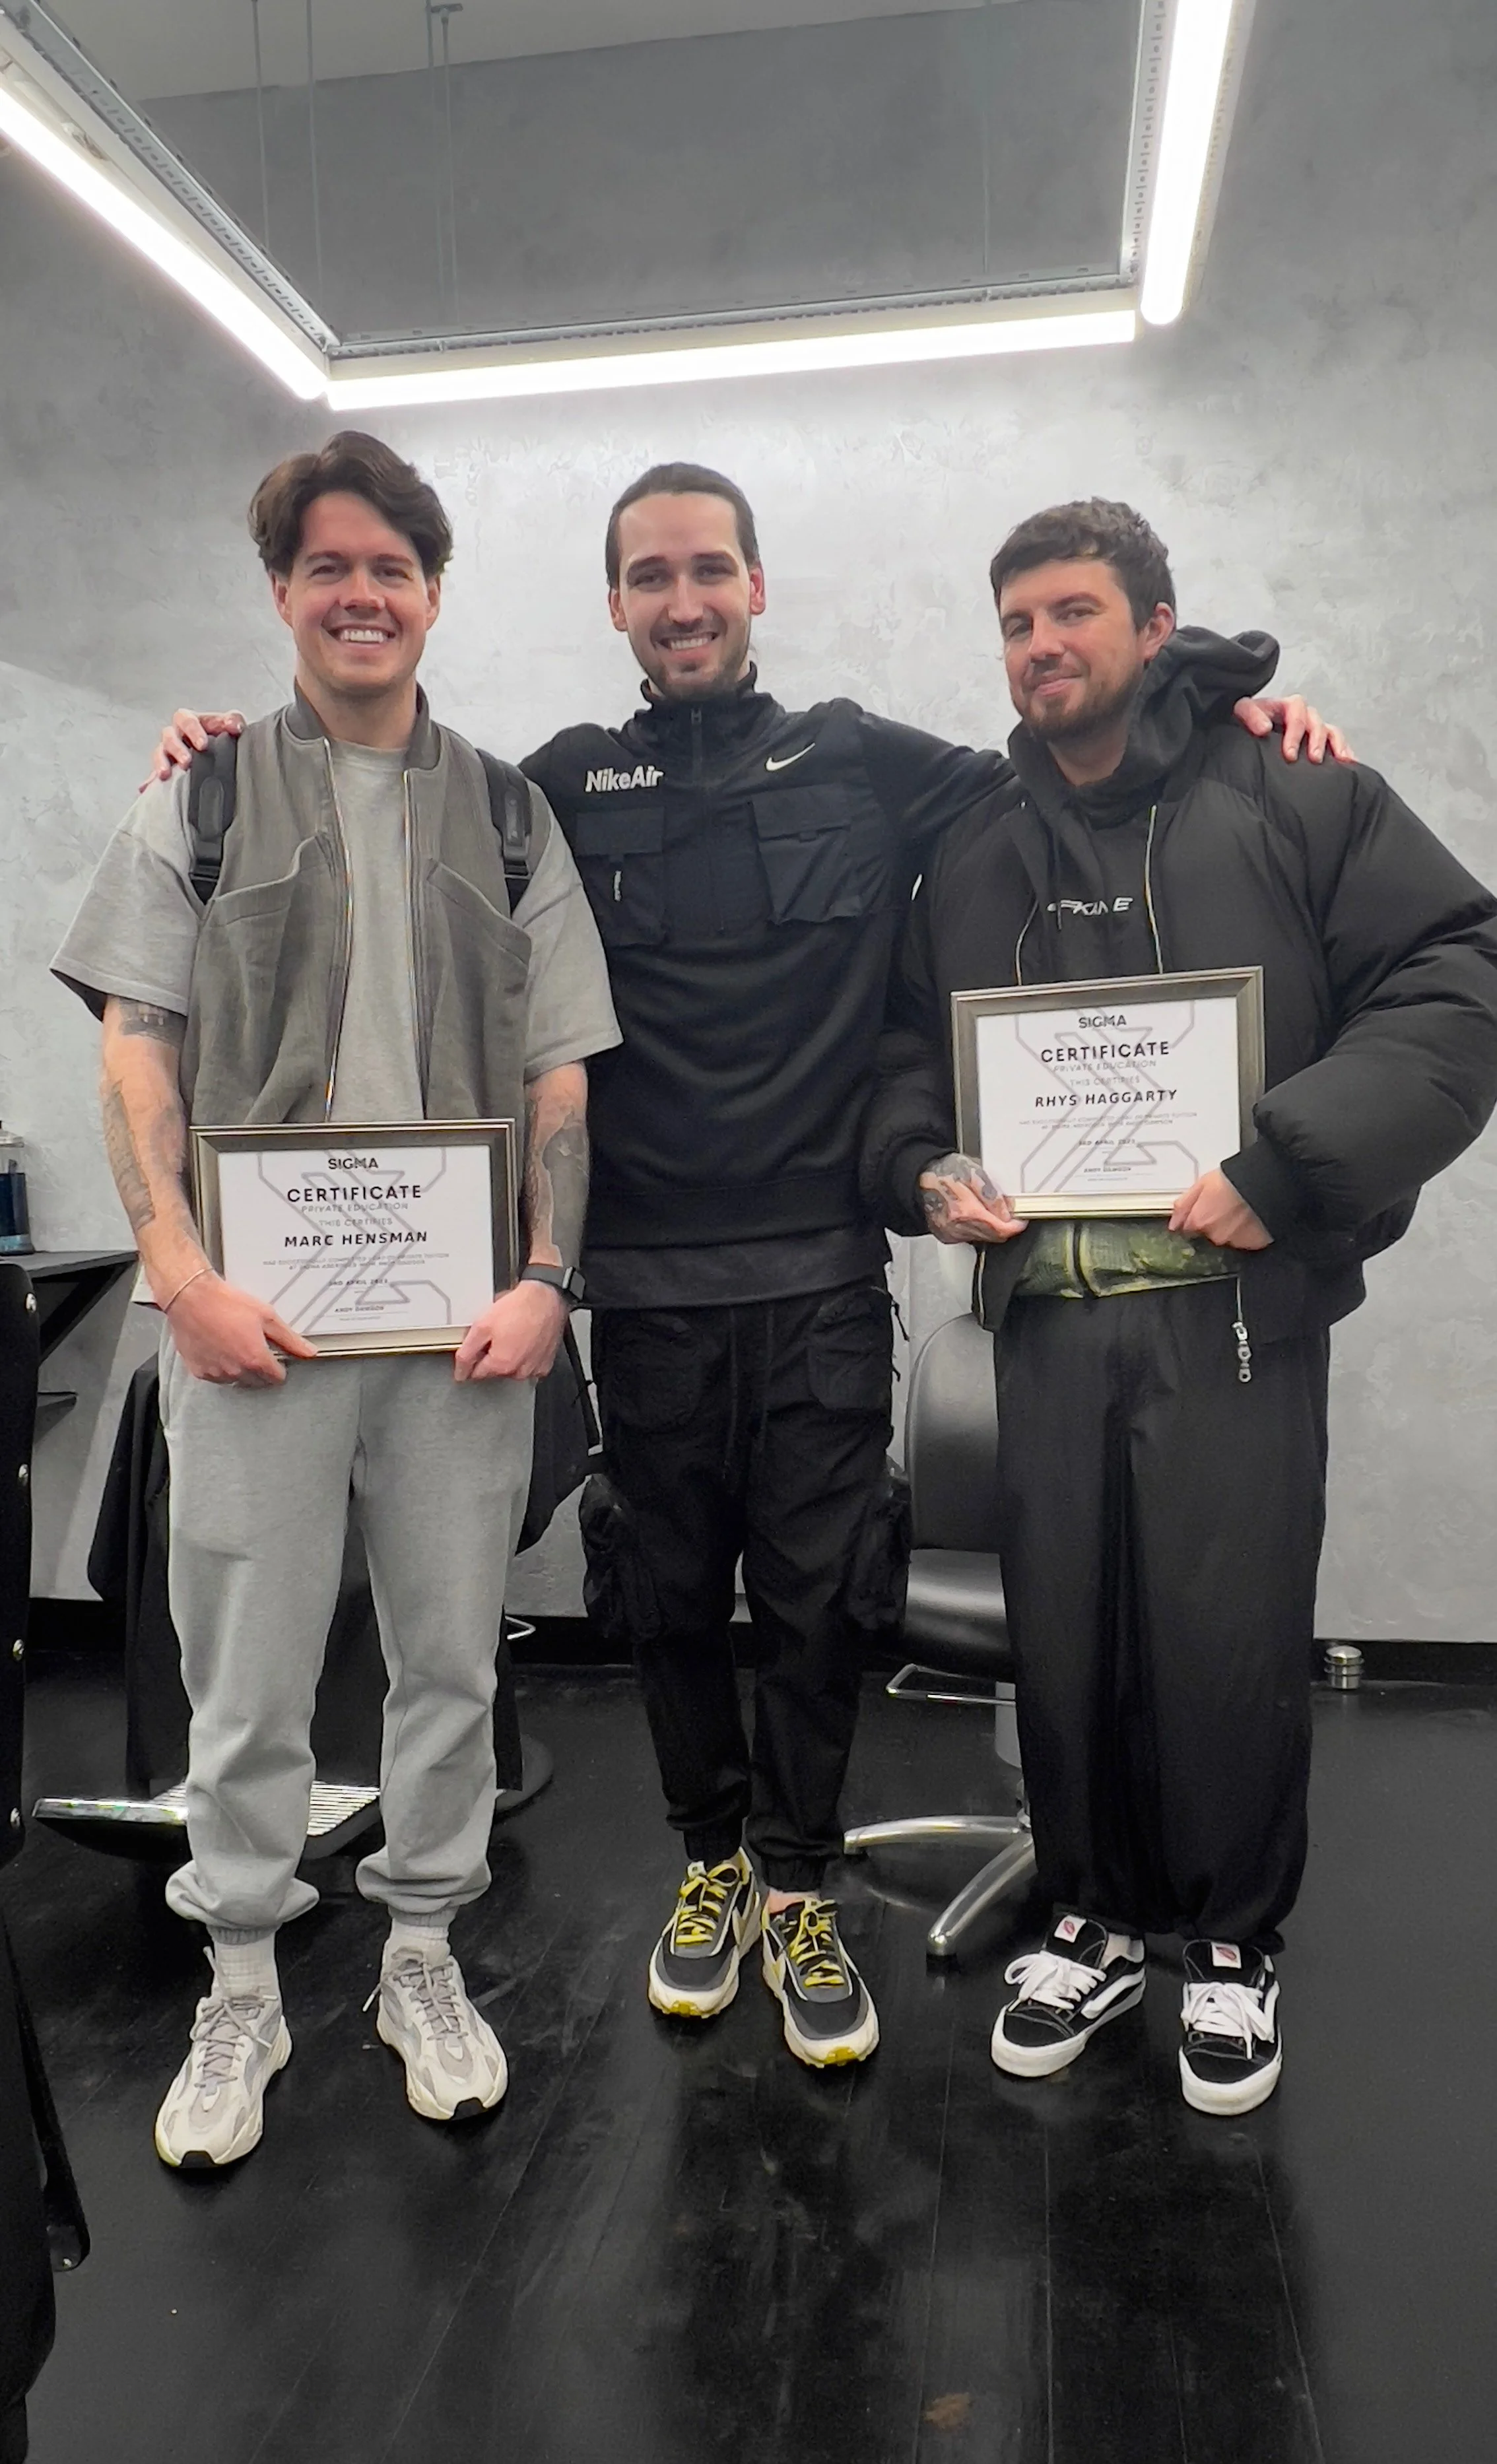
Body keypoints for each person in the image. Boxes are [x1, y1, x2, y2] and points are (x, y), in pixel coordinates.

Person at [149, 461, 1341, 2075]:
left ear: (756, 587)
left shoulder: (867, 761)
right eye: (650, 576)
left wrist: (1229, 710)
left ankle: (797, 1883)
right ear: (617, 605)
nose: (684, 599)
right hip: (642, 1289)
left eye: (709, 569)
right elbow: (381, 785)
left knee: (816, 1607)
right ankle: (708, 1863)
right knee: (666, 1608)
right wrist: (216, 752)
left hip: (821, 1287)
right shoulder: (555, 788)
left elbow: (1069, 755)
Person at [863, 496, 1497, 2114]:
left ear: (1157, 627)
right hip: (1050, 1318)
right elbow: (905, 1051)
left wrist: (1287, 1165)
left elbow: (1456, 978)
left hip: (1231, 1318)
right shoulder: (973, 841)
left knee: (1225, 1639)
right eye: (1016, 623)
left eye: (1073, 612)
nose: (1041, 647)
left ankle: (1228, 1942)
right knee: (1068, 1641)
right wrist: (926, 1166)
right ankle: (1089, 1919)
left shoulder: (1298, 791)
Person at [55, 432, 620, 2168]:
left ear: (432, 594)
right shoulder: (203, 800)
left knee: (449, 1660)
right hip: (251, 1329)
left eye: (391, 568)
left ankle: (421, 1957)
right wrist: (179, 1275)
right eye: (328, 568)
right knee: (243, 1673)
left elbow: (559, 1076)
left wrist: (547, 1278)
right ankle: (240, 1980)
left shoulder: (508, 813)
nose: (361, 594)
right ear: (283, 592)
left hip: (463, 1338)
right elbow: (136, 1051)